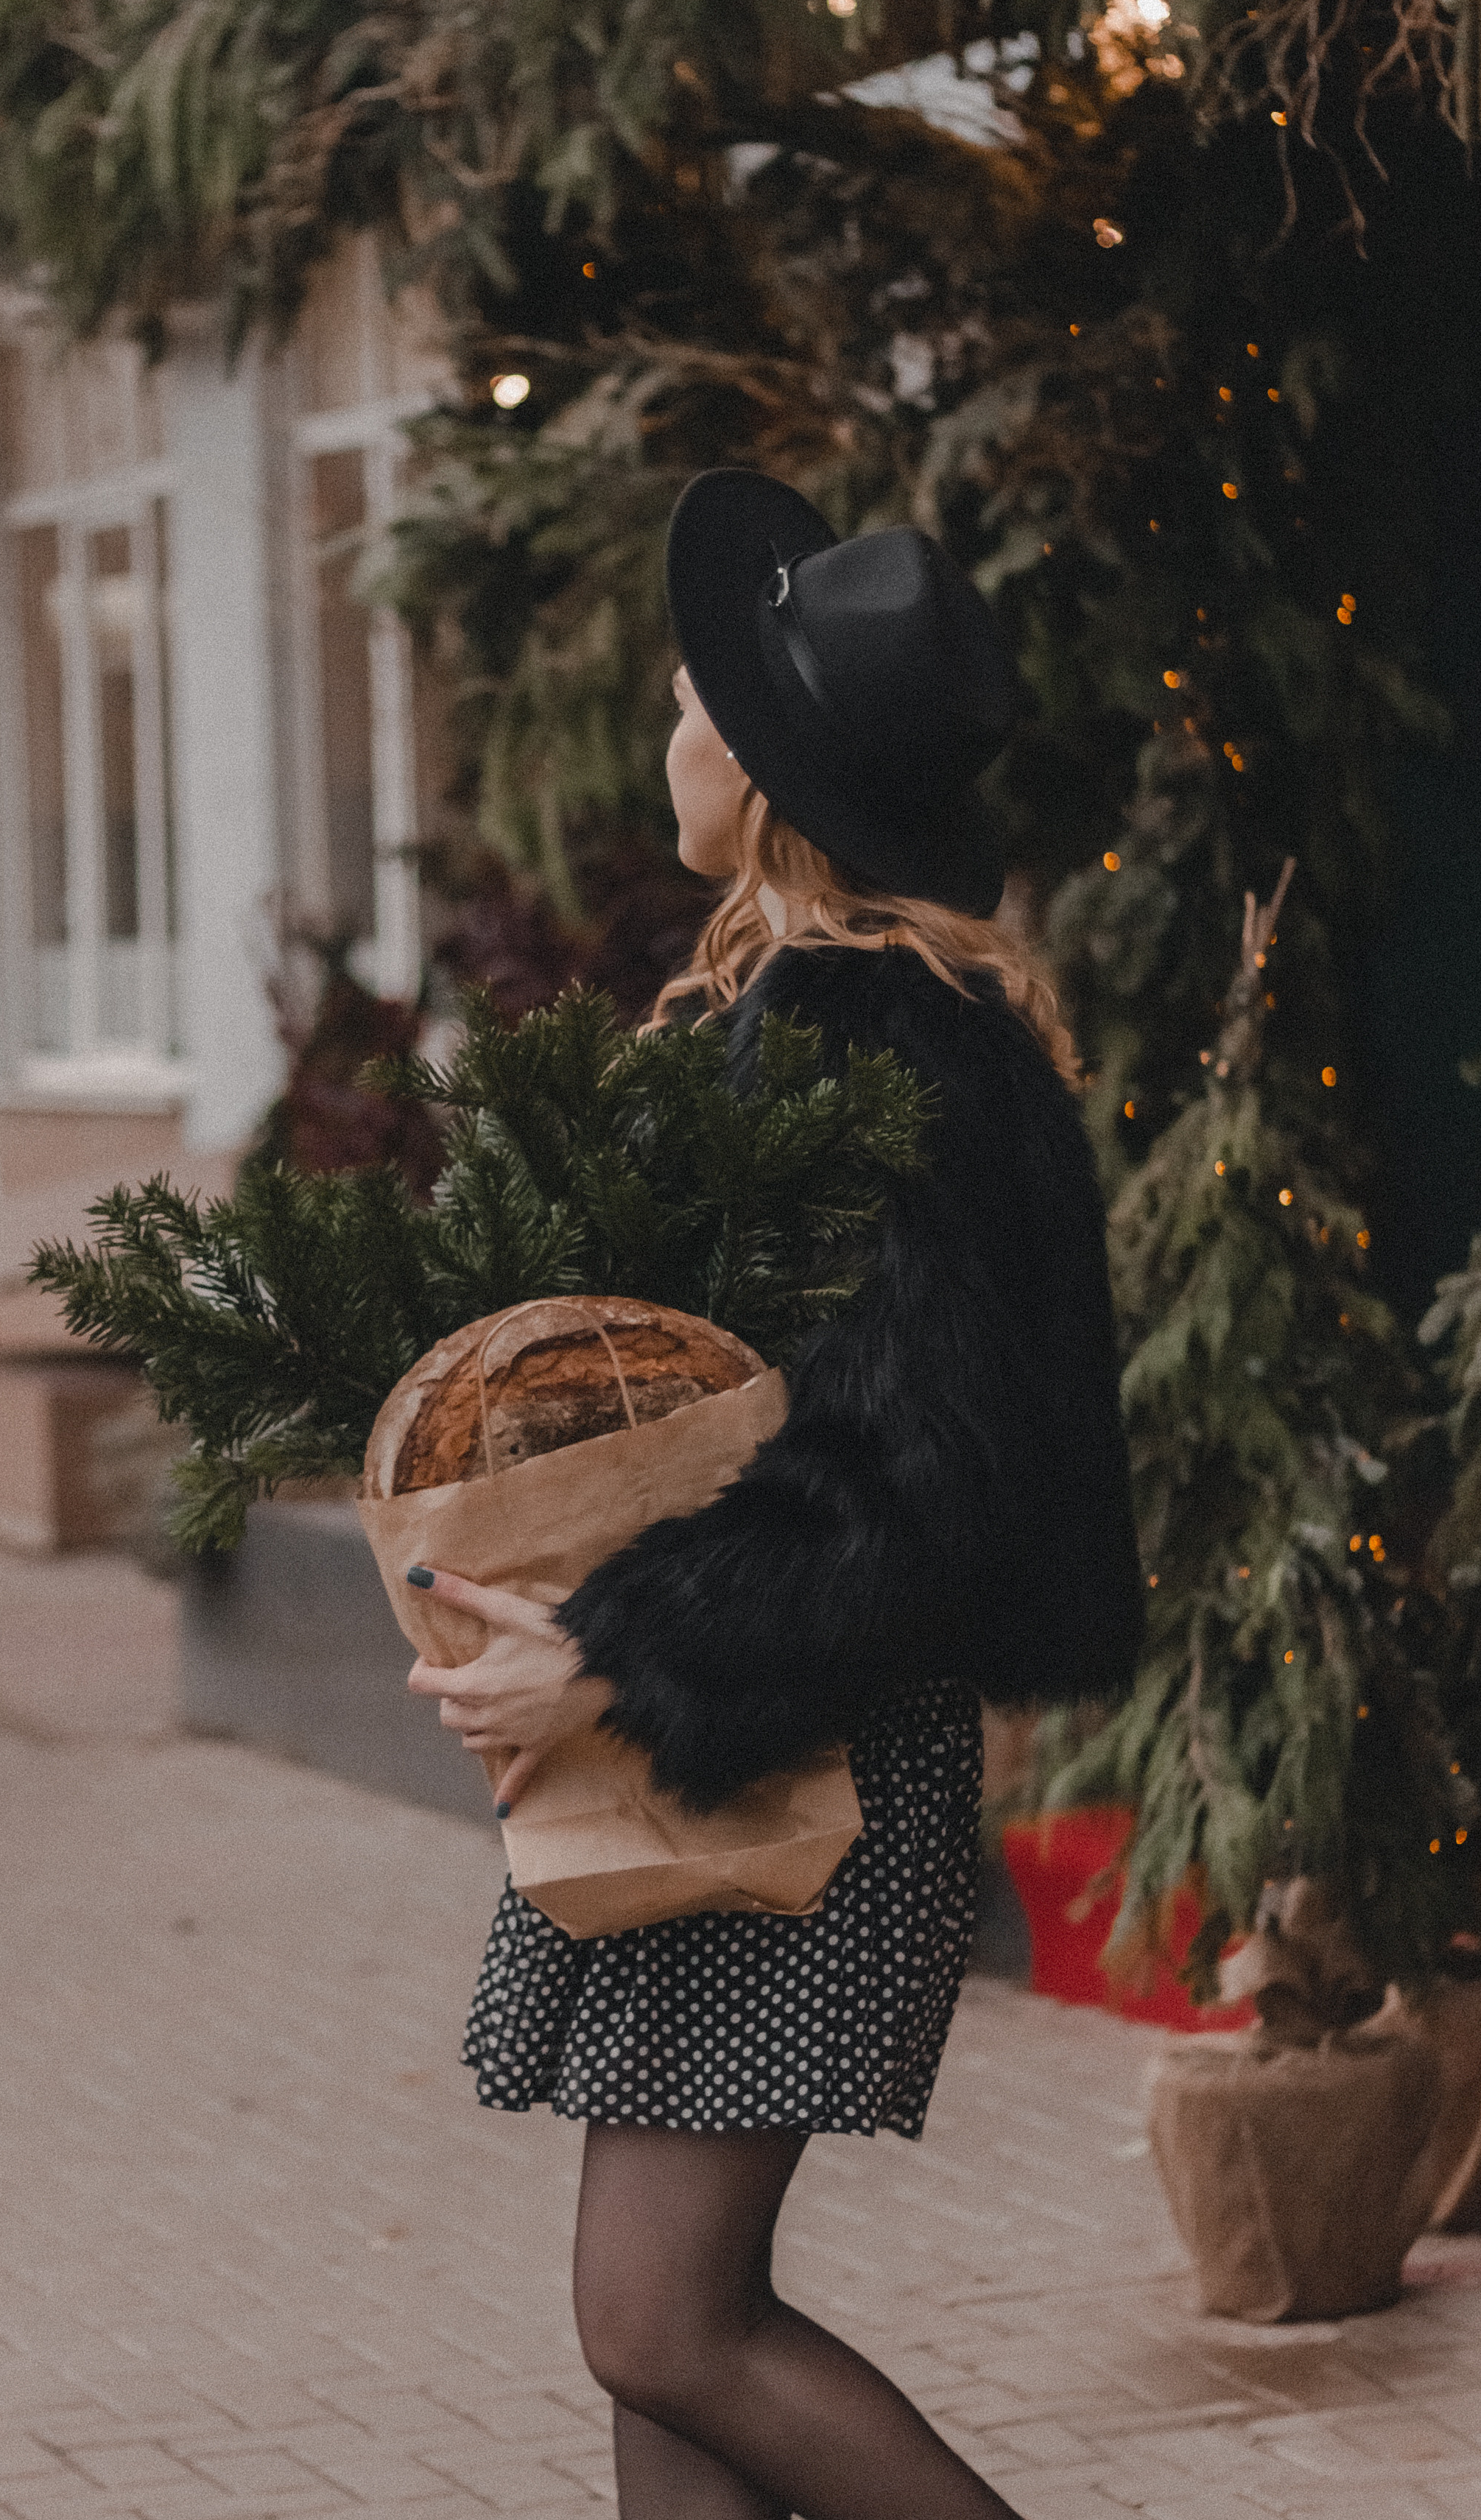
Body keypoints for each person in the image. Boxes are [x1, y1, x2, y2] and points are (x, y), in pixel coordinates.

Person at [406, 470, 1144, 2520]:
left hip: (786, 1728)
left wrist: (617, 1652)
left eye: (681, 702)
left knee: (662, 2320)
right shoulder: (816, 1012)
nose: (666, 724)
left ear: (759, 764)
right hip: (737, 1718)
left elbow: (916, 1473)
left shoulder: (864, 1030)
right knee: (662, 2354)